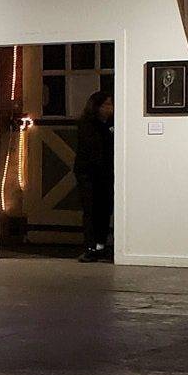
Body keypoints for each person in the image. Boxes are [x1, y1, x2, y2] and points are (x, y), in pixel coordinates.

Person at [74, 91, 113, 263]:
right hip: (88, 173)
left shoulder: (111, 123)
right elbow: (92, 150)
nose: (110, 108)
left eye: (111, 104)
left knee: (105, 209)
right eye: (107, 105)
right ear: (96, 107)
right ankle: (90, 247)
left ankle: (101, 245)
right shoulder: (87, 124)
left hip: (105, 173)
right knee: (90, 210)